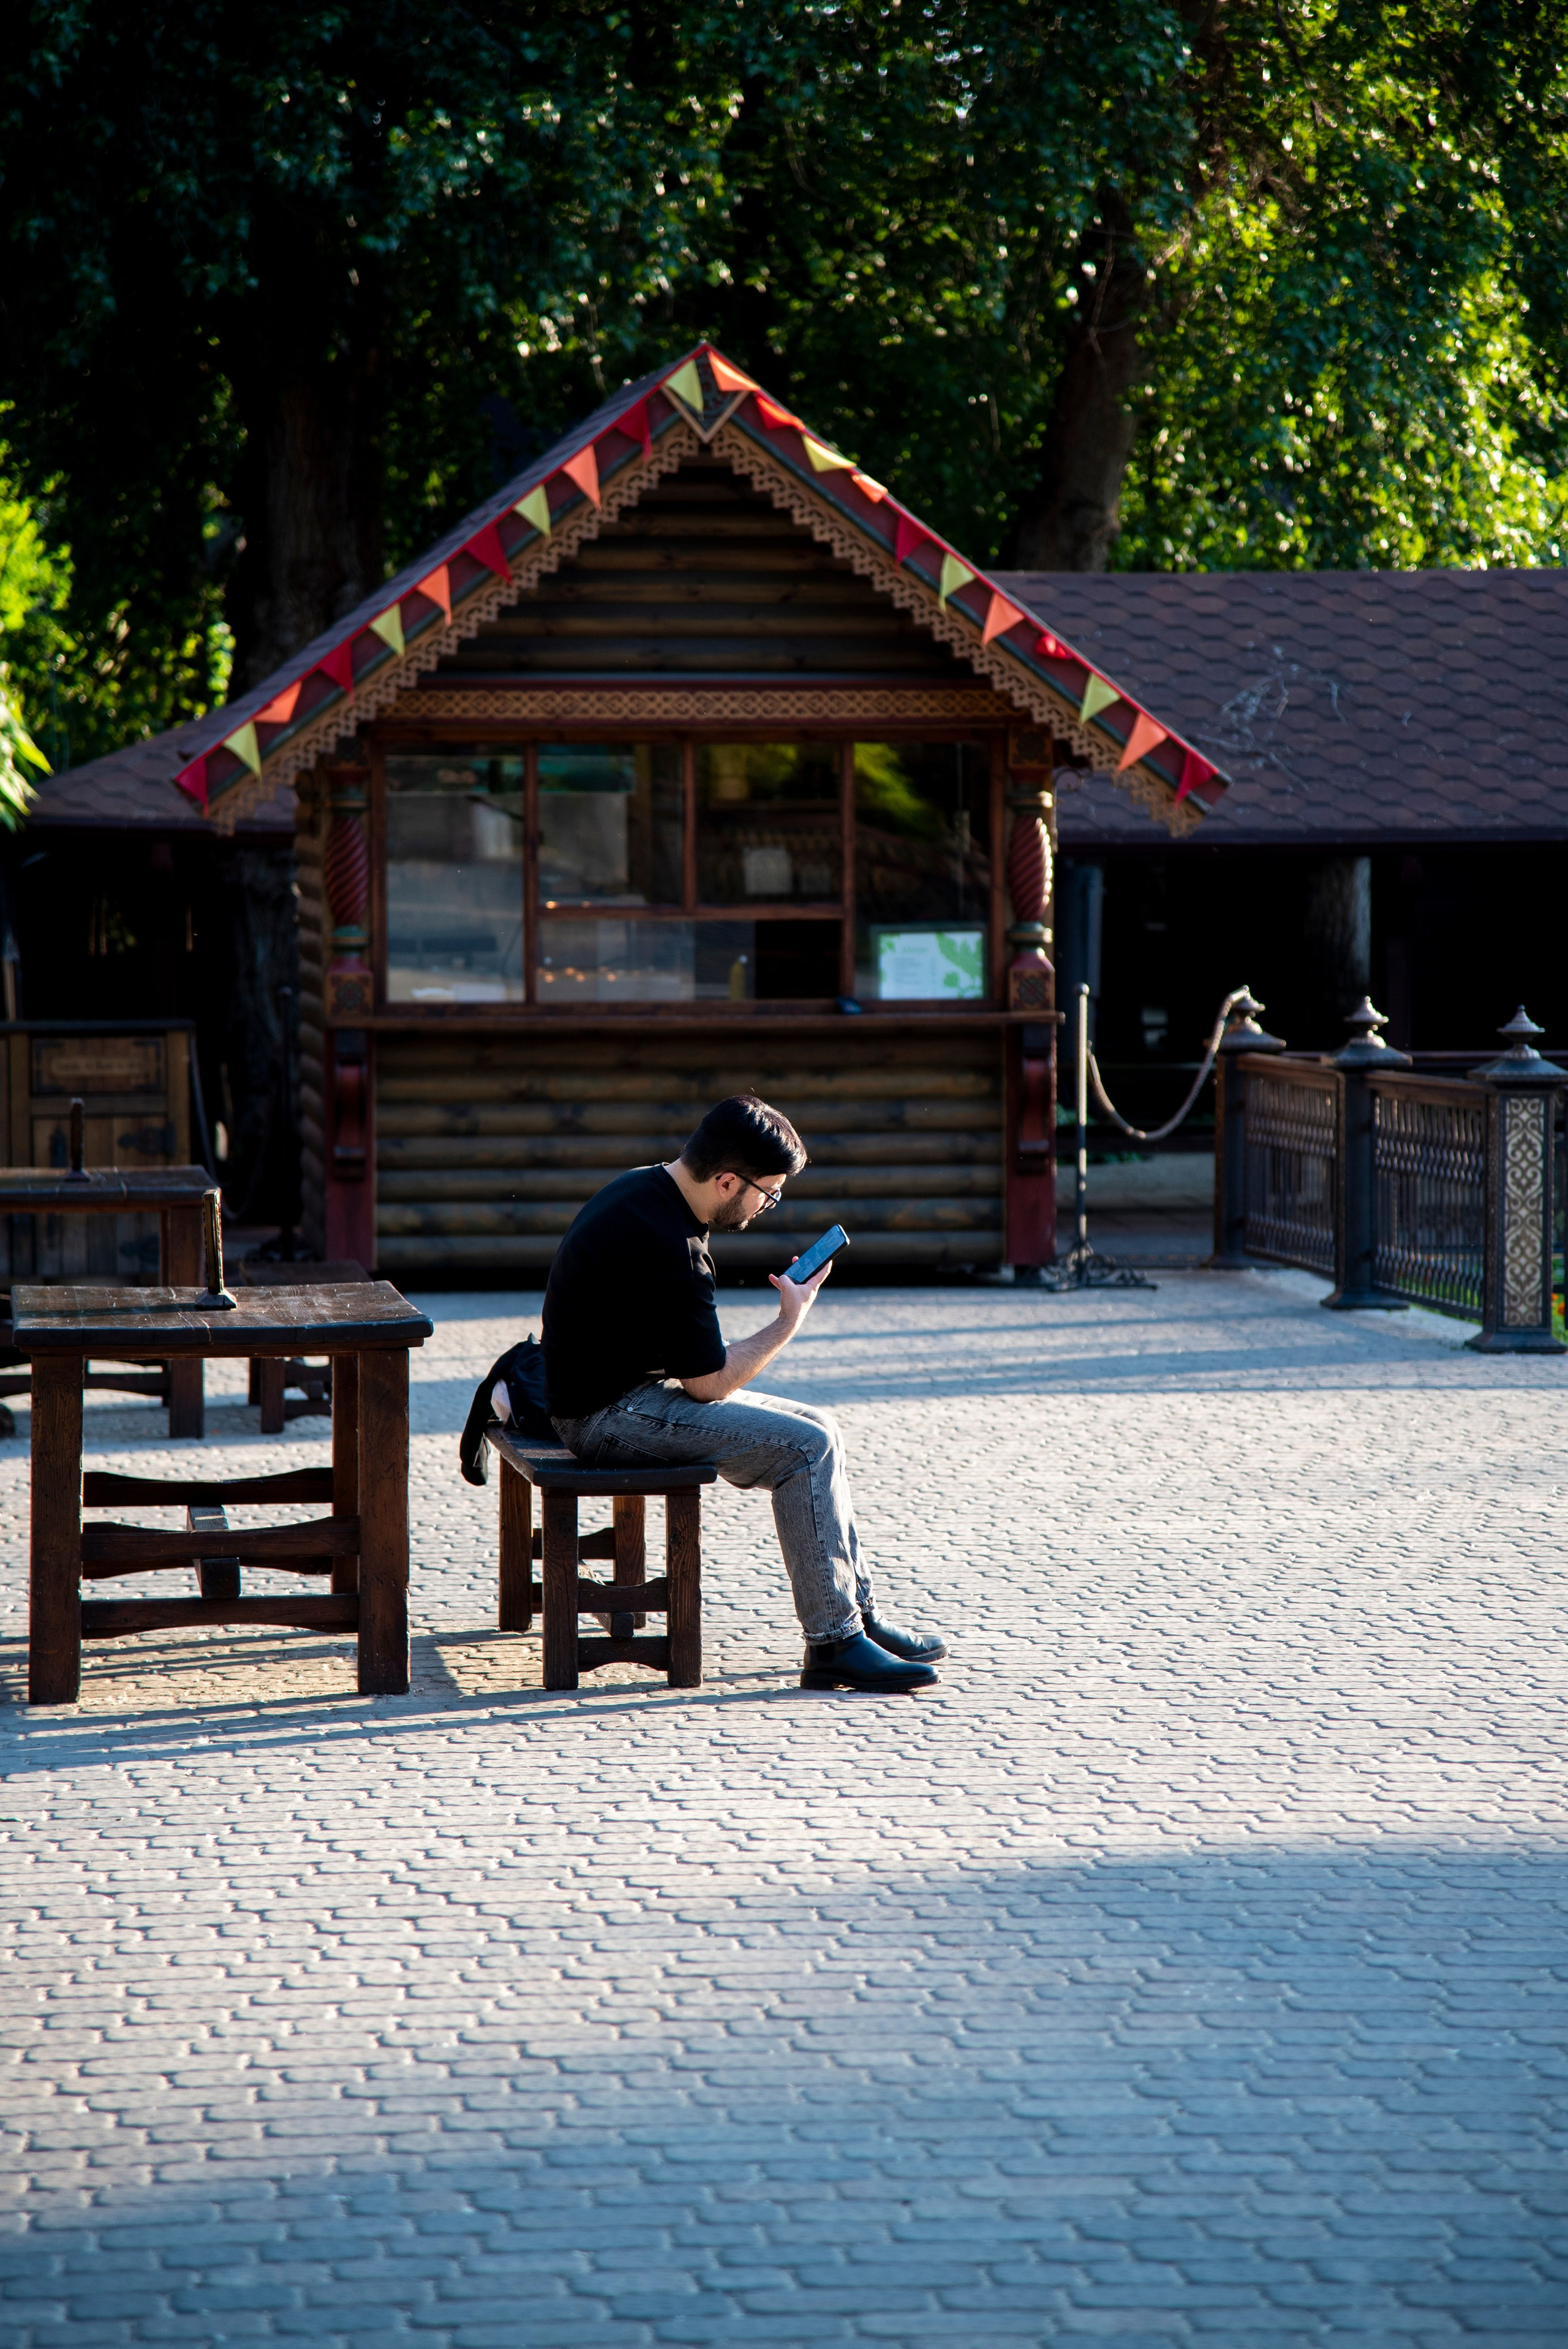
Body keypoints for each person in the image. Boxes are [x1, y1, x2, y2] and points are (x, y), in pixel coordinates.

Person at [528, 1093, 946, 1693]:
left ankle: (856, 1615)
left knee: (819, 1429)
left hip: (606, 1395)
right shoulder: (674, 1247)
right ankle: (834, 1642)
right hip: (603, 1417)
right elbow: (709, 1382)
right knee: (803, 1447)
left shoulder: (644, 1188)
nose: (767, 1207)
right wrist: (788, 1320)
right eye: (767, 1193)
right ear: (727, 1180)